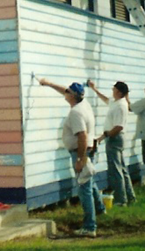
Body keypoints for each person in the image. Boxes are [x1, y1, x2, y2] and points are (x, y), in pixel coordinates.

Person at [38, 79, 104, 237]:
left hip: (81, 152)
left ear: (72, 96)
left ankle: (89, 227)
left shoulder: (76, 112)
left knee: (84, 189)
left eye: (67, 92)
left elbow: (82, 136)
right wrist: (49, 84)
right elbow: (65, 90)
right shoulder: (83, 104)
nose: (65, 93)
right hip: (89, 149)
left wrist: (81, 159)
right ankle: (100, 209)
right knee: (90, 183)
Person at [88, 80, 136, 206]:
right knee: (122, 168)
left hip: (115, 138)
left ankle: (121, 200)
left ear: (119, 92)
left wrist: (104, 136)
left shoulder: (121, 106)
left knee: (116, 170)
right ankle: (130, 196)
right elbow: (106, 100)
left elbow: (118, 127)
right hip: (115, 138)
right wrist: (94, 89)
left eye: (114, 89)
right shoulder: (116, 102)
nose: (112, 91)